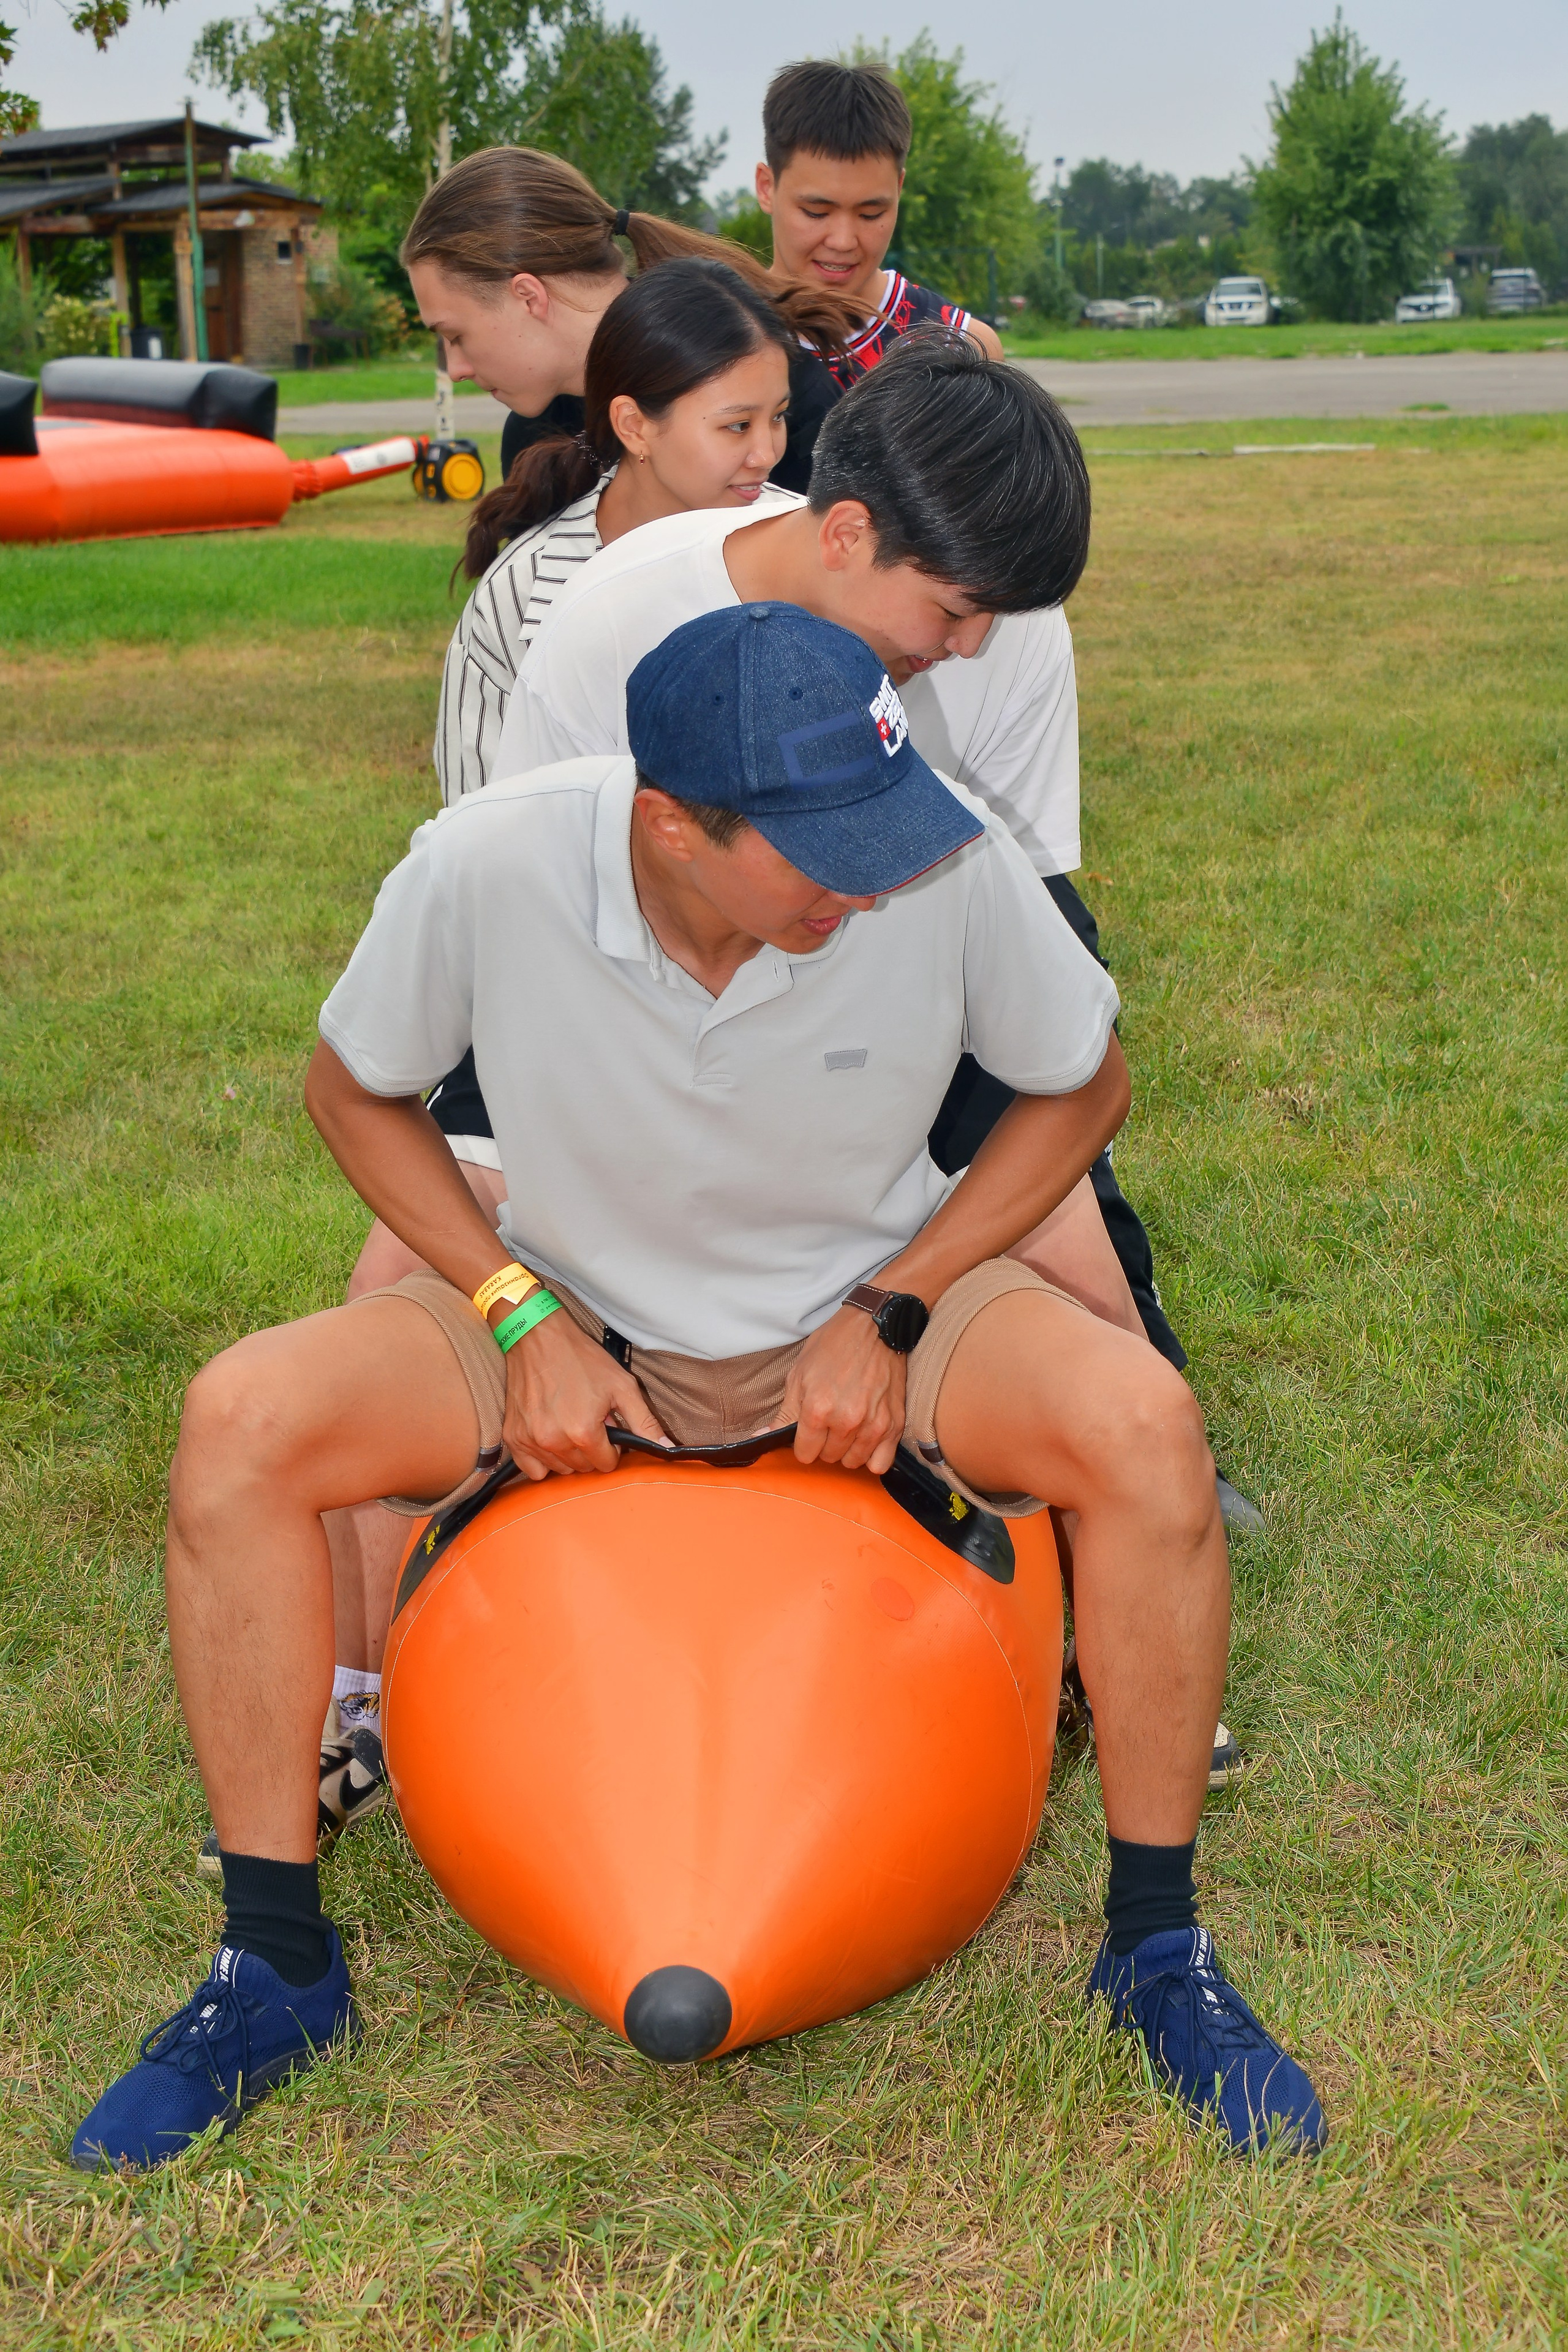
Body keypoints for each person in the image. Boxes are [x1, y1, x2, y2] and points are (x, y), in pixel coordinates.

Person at [73, 605, 1324, 2173]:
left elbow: (1081, 1083)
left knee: (1142, 1425)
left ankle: (1155, 1945)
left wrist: (900, 1297)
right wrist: (513, 1305)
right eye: (817, 850)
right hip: (574, 1300)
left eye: (877, 831)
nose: (866, 876)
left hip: (866, 1300)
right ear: (669, 822)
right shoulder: (485, 860)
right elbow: (353, 1087)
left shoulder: (937, 862)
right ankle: (272, 1965)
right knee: (241, 1418)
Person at [192, 257, 812, 1883]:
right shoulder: (537, 602)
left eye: (775, 421)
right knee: (396, 1292)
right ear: (633, 423)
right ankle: (363, 1691)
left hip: (738, 1003)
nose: (763, 452)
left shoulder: (807, 561)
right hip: (532, 1009)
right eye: (733, 422)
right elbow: (489, 873)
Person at [399, 145, 846, 502]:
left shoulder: (783, 394)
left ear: (527, 297)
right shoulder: (534, 440)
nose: (454, 370)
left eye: (455, 336)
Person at [755, 58, 1006, 382]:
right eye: (816, 212)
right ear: (766, 188)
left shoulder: (961, 350)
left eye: (870, 214)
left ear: (899, 190)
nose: (843, 241)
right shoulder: (708, 343)